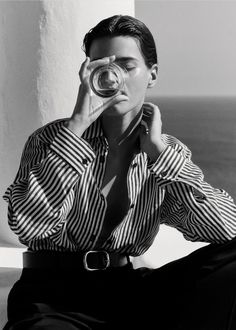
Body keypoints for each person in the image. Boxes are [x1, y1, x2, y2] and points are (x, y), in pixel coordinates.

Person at [2, 14, 236, 330]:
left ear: (152, 74)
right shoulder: (50, 140)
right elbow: (30, 226)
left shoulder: (166, 152)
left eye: (127, 66)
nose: (113, 79)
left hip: (130, 292)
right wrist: (77, 126)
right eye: (101, 67)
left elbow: (225, 229)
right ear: (87, 74)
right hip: (51, 295)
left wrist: (159, 154)